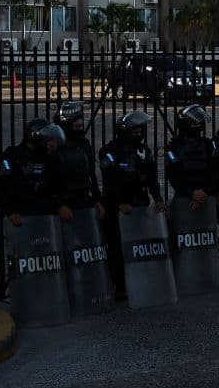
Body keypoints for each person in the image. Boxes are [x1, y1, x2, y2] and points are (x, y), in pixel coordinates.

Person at [99, 111, 164, 300]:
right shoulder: (110, 151)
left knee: (140, 245)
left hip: (139, 204)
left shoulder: (144, 152)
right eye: (135, 130)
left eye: (141, 129)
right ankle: (119, 285)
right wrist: (119, 202)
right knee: (117, 247)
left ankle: (143, 280)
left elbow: (152, 177)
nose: (139, 133)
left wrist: (158, 198)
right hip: (118, 207)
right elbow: (109, 179)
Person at [0, 118, 65, 225]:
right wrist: (10, 212)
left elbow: (56, 185)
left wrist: (59, 206)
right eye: (46, 139)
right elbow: (1, 187)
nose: (49, 143)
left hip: (46, 215)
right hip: (22, 215)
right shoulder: (10, 158)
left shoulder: (48, 157)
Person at [54, 101, 104, 221]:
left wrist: (97, 200)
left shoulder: (84, 144)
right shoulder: (55, 146)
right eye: (76, 122)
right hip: (63, 203)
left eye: (80, 120)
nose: (80, 123)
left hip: (83, 200)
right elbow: (49, 181)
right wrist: (58, 205)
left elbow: (91, 174)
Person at [165, 105, 217, 206]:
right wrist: (191, 192)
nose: (198, 125)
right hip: (184, 197)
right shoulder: (173, 147)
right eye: (195, 123)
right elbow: (173, 175)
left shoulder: (208, 144)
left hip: (206, 196)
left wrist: (205, 192)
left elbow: (214, 170)